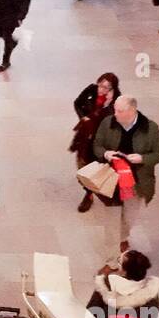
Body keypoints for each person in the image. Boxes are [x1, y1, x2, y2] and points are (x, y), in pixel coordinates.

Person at [93, 95, 159, 264]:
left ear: (132, 111)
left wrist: (142, 158)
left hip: (136, 182)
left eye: (120, 111)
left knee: (129, 217)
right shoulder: (108, 123)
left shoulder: (150, 128)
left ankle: (123, 236)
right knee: (112, 221)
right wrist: (105, 153)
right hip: (112, 180)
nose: (115, 114)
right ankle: (111, 261)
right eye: (115, 110)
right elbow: (97, 145)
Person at [70, 72, 121, 213]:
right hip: (85, 135)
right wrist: (83, 117)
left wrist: (107, 105)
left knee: (95, 168)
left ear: (113, 89)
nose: (101, 90)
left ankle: (89, 194)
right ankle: (88, 191)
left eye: (106, 88)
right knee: (82, 165)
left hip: (101, 142)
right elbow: (77, 102)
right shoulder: (92, 89)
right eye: (101, 85)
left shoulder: (116, 103)